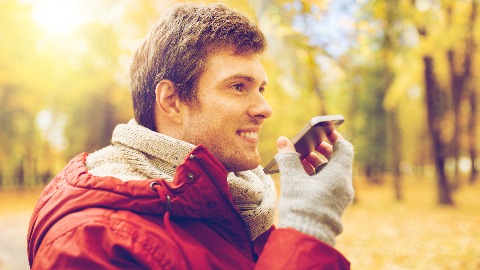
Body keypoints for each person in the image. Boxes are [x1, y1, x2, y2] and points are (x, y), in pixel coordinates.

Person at [27, 3, 354, 269]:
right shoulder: (92, 245)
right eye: (239, 87)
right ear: (172, 101)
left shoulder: (242, 206)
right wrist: (306, 229)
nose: (265, 108)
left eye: (261, 89)